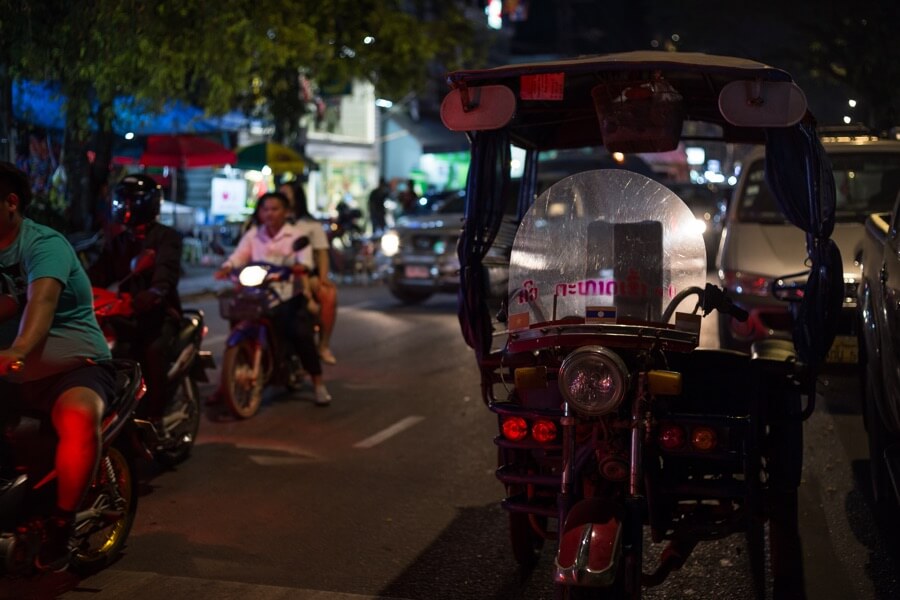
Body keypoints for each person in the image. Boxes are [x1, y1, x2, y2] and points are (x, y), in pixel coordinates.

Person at [0, 161, 116, 571]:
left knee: (80, 416)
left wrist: (18, 351)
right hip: (10, 375)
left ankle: (62, 524)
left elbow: (41, 306)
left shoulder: (43, 244)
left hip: (72, 367)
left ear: (11, 203)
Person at [216, 191, 332, 405]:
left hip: (288, 294)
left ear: (286, 212)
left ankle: (318, 383)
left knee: (299, 332)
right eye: (265, 209)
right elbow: (239, 255)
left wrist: (298, 267)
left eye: (275, 209)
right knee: (237, 318)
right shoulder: (253, 235)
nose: (269, 214)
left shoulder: (296, 235)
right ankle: (229, 380)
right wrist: (227, 267)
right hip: (258, 294)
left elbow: (305, 260)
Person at [88, 174, 183, 432]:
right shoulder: (119, 241)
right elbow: (99, 273)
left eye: (133, 202)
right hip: (125, 312)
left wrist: (155, 292)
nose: (126, 207)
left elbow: (166, 270)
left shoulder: (167, 237)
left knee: (153, 352)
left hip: (159, 313)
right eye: (123, 202)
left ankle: (156, 415)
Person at [279, 180, 338, 365]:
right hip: (272, 273)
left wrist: (322, 278)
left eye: (286, 194)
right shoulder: (270, 222)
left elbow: (321, 254)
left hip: (303, 273)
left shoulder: (310, 225)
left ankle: (323, 345)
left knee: (328, 296)